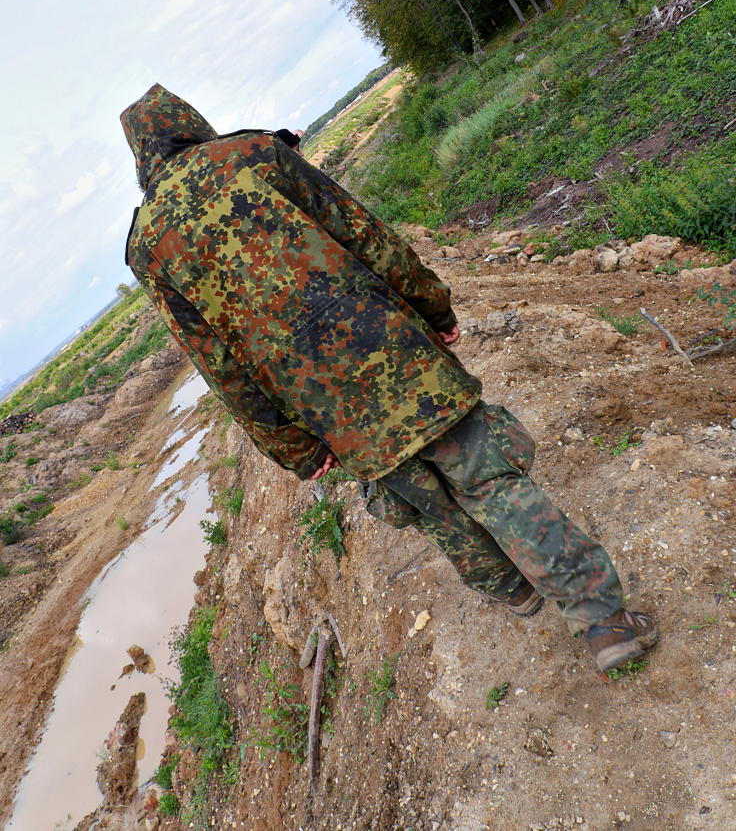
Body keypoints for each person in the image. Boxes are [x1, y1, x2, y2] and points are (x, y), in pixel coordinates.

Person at [121, 84, 658, 674]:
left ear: (141, 154)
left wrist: (293, 447)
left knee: (433, 508)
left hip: (324, 405)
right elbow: (363, 234)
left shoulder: (148, 245)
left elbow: (217, 364)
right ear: (187, 122)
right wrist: (433, 305)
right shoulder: (252, 155)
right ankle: (603, 622)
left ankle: (514, 591)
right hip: (395, 350)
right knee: (491, 480)